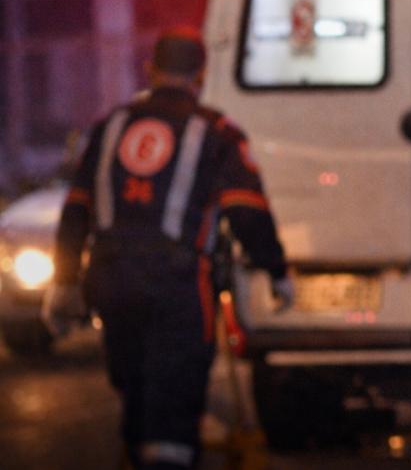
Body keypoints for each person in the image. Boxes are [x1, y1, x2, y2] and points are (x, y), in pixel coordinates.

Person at [43, 27, 294, 470]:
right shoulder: (217, 132)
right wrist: (275, 270)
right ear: (202, 75)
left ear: (150, 70)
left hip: (110, 279)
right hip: (178, 285)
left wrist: (64, 282)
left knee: (134, 387)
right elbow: (247, 210)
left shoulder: (110, 126)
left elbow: (76, 209)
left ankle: (141, 451)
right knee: (173, 397)